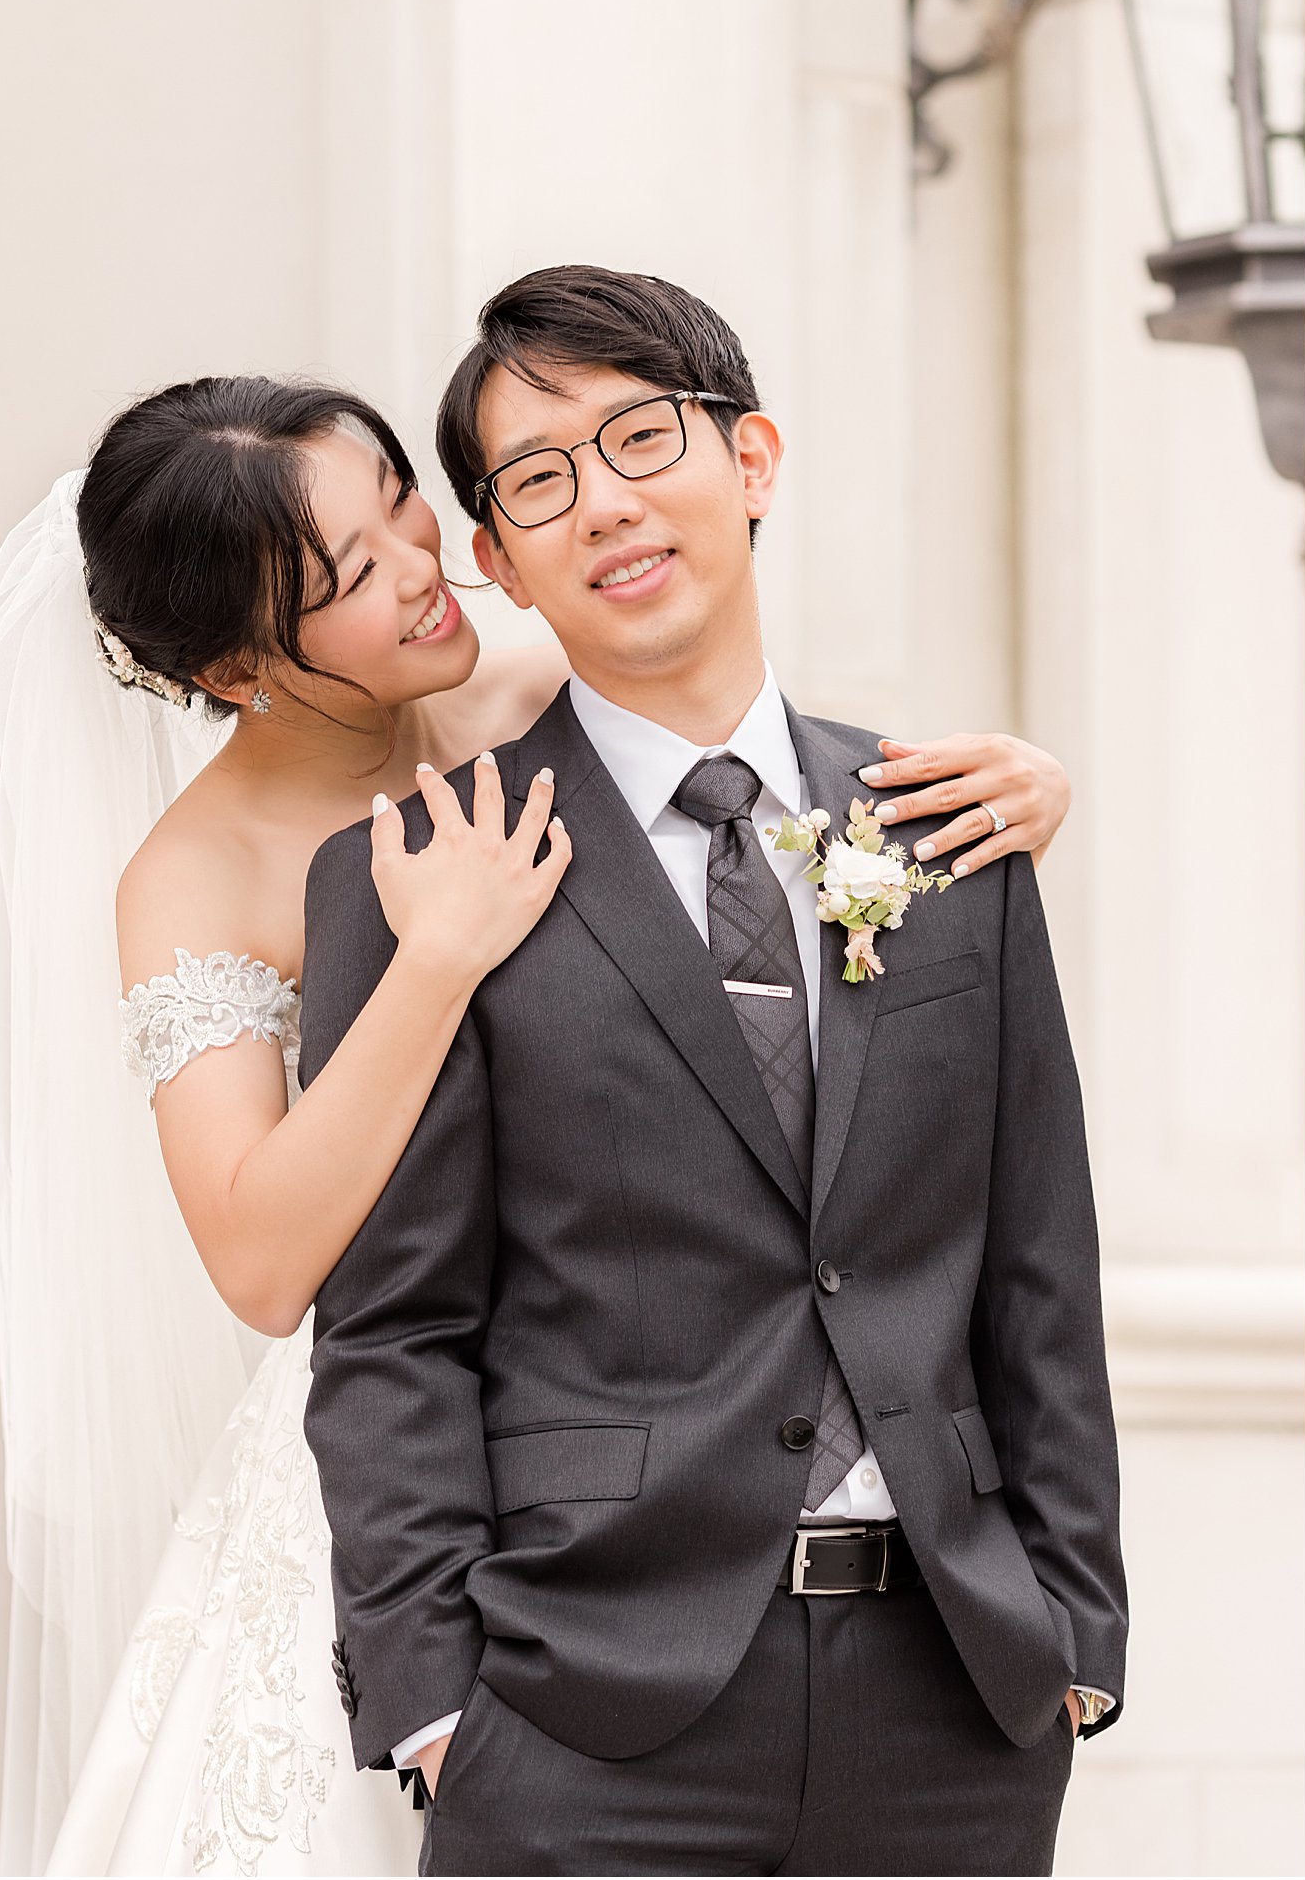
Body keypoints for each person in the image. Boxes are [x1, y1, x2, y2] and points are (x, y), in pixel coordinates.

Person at [0, 368, 1078, 1878]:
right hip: (422, 1490)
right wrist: (431, 960)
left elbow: (743, 777)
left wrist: (1023, 786)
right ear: (242, 665)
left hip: (702, 1477)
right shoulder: (200, 872)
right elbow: (259, 1258)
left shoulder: (507, 692)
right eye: (359, 576)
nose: (427, 570)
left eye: (402, 512)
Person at [299, 268, 1126, 1878]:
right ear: (499, 562)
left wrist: (1075, 1639)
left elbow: (1040, 1263)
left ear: (749, 461)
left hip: (958, 1706)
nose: (602, 502)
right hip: (579, 1720)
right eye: (539, 480)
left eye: (640, 437)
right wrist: (435, 1708)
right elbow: (394, 1324)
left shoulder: (952, 828)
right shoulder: (417, 868)